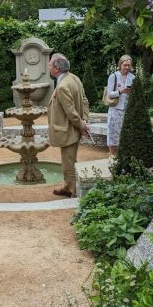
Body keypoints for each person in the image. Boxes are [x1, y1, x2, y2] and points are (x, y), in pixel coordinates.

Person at [47, 53, 89, 198]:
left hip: (68, 130)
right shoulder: (74, 78)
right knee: (69, 159)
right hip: (73, 129)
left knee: (68, 163)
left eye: (50, 65)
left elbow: (70, 112)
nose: (49, 67)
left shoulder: (63, 86)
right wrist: (85, 120)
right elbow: (85, 101)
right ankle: (67, 186)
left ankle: (73, 192)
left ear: (57, 68)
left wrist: (82, 125)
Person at [106, 55, 135, 157]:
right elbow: (109, 94)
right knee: (113, 132)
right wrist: (120, 91)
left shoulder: (133, 77)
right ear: (120, 64)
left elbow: (136, 93)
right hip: (115, 109)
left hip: (127, 109)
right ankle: (112, 155)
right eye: (125, 65)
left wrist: (131, 92)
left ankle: (123, 155)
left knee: (125, 132)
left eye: (128, 65)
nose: (127, 67)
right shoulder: (113, 76)